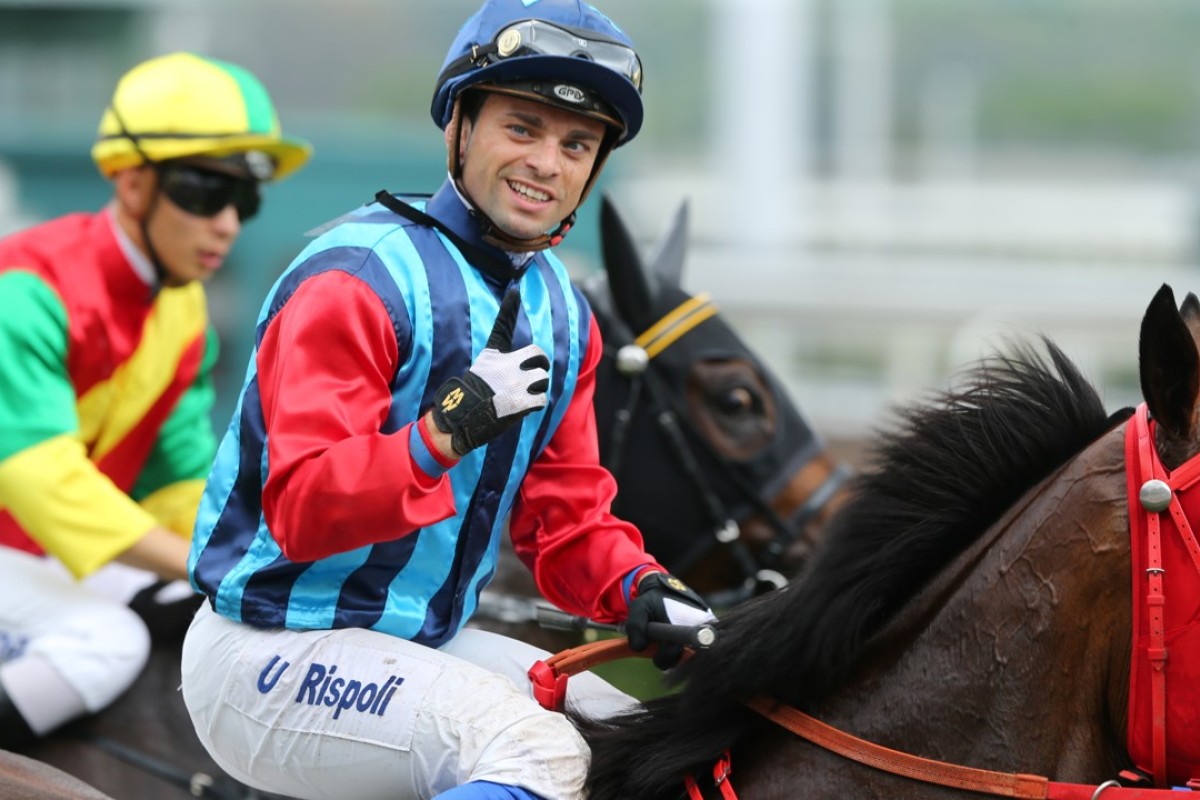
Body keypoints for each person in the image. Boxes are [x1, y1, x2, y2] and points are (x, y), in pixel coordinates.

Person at [180, 1, 714, 799]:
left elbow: (564, 522)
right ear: (459, 126)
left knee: (640, 740)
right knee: (537, 754)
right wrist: (437, 437)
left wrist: (640, 588)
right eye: (522, 128)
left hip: (416, 643)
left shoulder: (565, 316)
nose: (548, 163)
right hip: (266, 649)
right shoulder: (355, 279)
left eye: (577, 144)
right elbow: (299, 510)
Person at [0, 51, 311, 748]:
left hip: (40, 556)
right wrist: (203, 562)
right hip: (22, 541)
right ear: (133, 183)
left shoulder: (182, 312)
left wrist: (249, 551)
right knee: (103, 639)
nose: (228, 223)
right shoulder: (25, 288)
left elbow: (178, 475)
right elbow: (41, 480)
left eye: (246, 199)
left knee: (199, 607)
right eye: (207, 192)